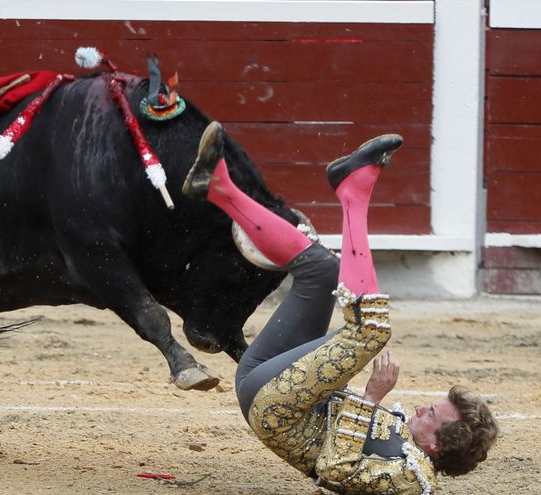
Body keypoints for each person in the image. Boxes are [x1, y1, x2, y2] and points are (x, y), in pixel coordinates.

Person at [182, 123, 498, 494]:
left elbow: (333, 471)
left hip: (275, 409)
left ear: (437, 445)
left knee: (370, 331)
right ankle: (220, 189)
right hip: (269, 380)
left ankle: (353, 193)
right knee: (322, 271)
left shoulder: (413, 483)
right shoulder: (409, 447)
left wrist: (370, 398)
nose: (421, 408)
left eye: (432, 414)